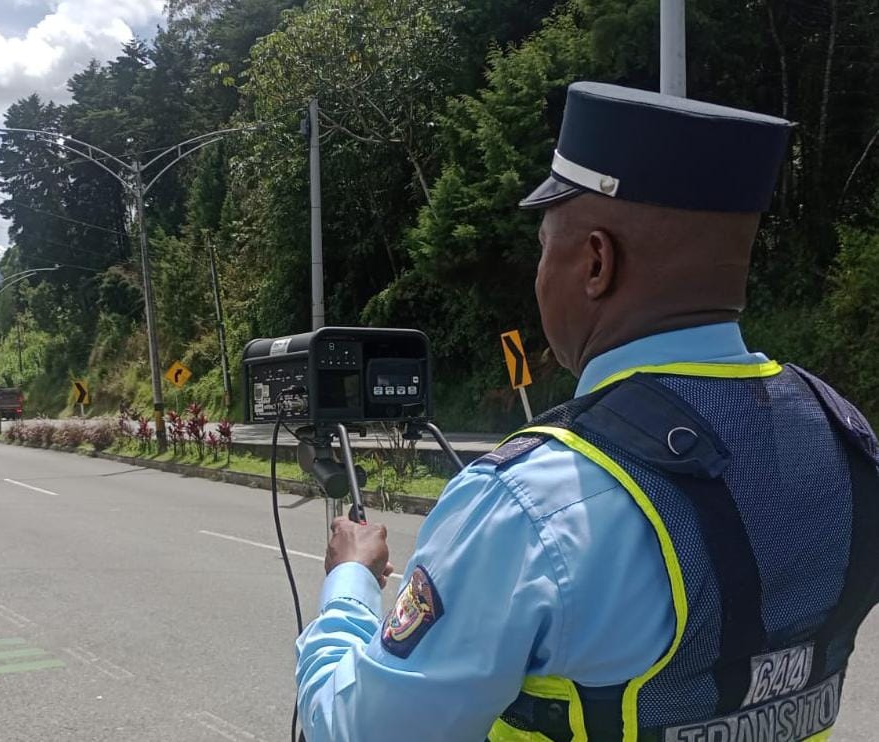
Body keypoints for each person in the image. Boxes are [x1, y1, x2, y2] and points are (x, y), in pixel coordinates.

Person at [295, 82, 879, 741]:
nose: (539, 273)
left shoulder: (531, 503)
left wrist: (347, 587)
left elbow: (361, 732)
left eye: (545, 248)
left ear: (596, 261)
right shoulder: (846, 442)